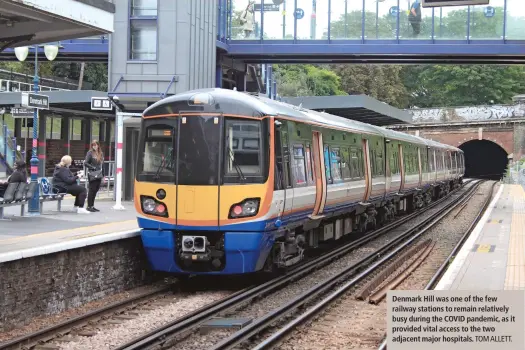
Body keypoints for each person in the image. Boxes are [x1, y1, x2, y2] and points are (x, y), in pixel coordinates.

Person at [84, 140, 104, 212]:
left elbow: (102, 164)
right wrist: (93, 167)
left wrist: (103, 175)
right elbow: (86, 163)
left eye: (95, 145)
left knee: (96, 190)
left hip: (99, 173)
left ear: (98, 145)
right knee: (92, 190)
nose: (94, 146)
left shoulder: (100, 153)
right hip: (92, 174)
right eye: (93, 145)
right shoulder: (90, 153)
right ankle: (89, 206)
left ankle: (92, 205)